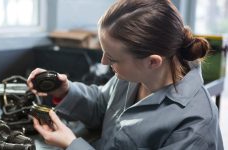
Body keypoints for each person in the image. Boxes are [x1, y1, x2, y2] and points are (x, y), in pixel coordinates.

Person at [27, 0, 224, 149]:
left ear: (153, 61)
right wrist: (66, 90)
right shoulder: (133, 76)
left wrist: (73, 145)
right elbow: (101, 105)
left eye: (112, 58)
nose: (104, 62)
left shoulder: (196, 127)